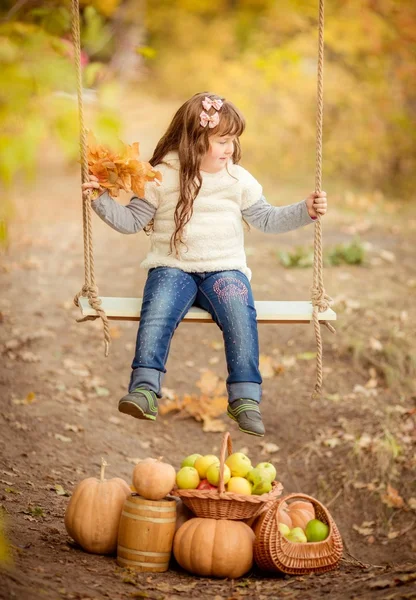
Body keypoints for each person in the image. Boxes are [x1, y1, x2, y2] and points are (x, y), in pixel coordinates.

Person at [82, 92, 327, 437]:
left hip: (224, 269)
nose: (230, 148)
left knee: (240, 313)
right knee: (158, 311)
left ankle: (245, 396)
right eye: (222, 141)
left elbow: (268, 219)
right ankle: (145, 388)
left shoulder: (238, 179)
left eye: (233, 141)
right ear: (194, 141)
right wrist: (100, 199)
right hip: (172, 267)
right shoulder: (161, 176)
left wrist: (306, 210)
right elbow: (130, 222)